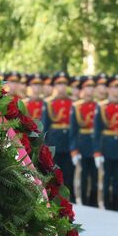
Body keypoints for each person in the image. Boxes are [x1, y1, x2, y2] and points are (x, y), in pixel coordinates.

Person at [95, 74, 118, 211]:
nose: (117, 90)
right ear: (109, 89)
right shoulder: (102, 107)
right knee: (106, 179)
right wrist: (97, 151)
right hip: (106, 147)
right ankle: (105, 205)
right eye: (114, 87)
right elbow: (97, 131)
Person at [43, 71, 75, 199]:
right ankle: (54, 197)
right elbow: (45, 126)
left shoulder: (72, 103)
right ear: (55, 86)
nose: (62, 86)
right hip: (54, 143)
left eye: (64, 84)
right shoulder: (49, 103)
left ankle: (69, 198)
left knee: (69, 174)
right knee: (54, 174)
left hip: (69, 144)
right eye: (59, 83)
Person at [69, 76, 100, 207]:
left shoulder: (99, 106)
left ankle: (93, 201)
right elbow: (73, 130)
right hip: (82, 143)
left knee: (95, 176)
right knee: (83, 175)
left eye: (92, 87)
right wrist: (74, 150)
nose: (90, 90)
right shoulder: (77, 107)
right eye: (87, 87)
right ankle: (82, 201)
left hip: (96, 145)